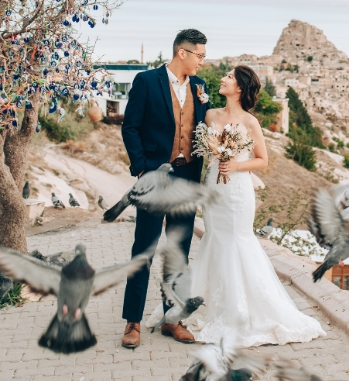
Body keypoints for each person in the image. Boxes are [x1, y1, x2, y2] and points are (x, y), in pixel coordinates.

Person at [178, 65, 324, 346]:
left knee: (238, 241)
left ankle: (241, 311)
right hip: (213, 186)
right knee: (215, 239)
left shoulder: (250, 122)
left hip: (238, 190)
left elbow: (262, 160)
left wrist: (235, 164)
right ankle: (208, 304)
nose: (223, 79)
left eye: (229, 77)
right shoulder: (209, 115)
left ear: (240, 88)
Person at [119, 28, 211, 349]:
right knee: (143, 248)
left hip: (187, 179)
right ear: (182, 53)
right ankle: (133, 321)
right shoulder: (146, 81)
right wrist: (142, 168)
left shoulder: (200, 87)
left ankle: (174, 318)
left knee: (180, 251)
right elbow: (130, 128)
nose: (203, 61)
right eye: (199, 55)